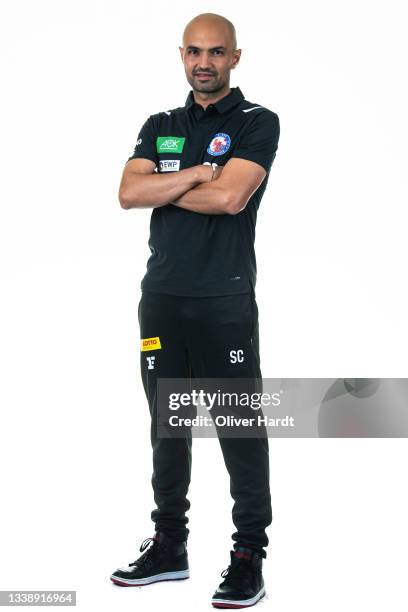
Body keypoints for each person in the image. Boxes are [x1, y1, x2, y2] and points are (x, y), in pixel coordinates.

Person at [110, 12, 280, 609]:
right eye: (193, 52)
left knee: (238, 428)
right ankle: (169, 546)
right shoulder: (161, 124)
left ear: (235, 57)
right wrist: (196, 174)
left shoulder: (258, 122)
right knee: (168, 426)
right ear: (181, 56)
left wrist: (169, 180)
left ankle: (247, 555)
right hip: (161, 301)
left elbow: (233, 197)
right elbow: (129, 193)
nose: (203, 61)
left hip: (225, 302)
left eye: (216, 51)